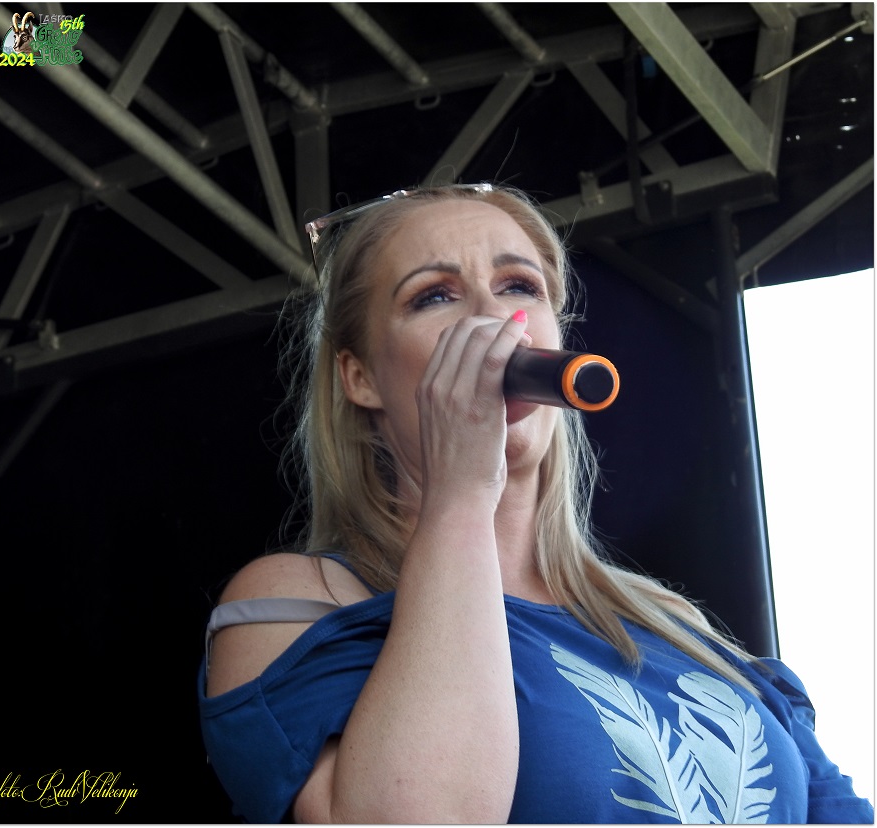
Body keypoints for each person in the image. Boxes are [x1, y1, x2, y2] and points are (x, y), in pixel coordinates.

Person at [198, 183, 873, 824]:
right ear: (361, 375)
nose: (494, 320)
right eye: (435, 296)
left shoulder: (672, 623)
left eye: (519, 287)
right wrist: (462, 492)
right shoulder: (301, 602)